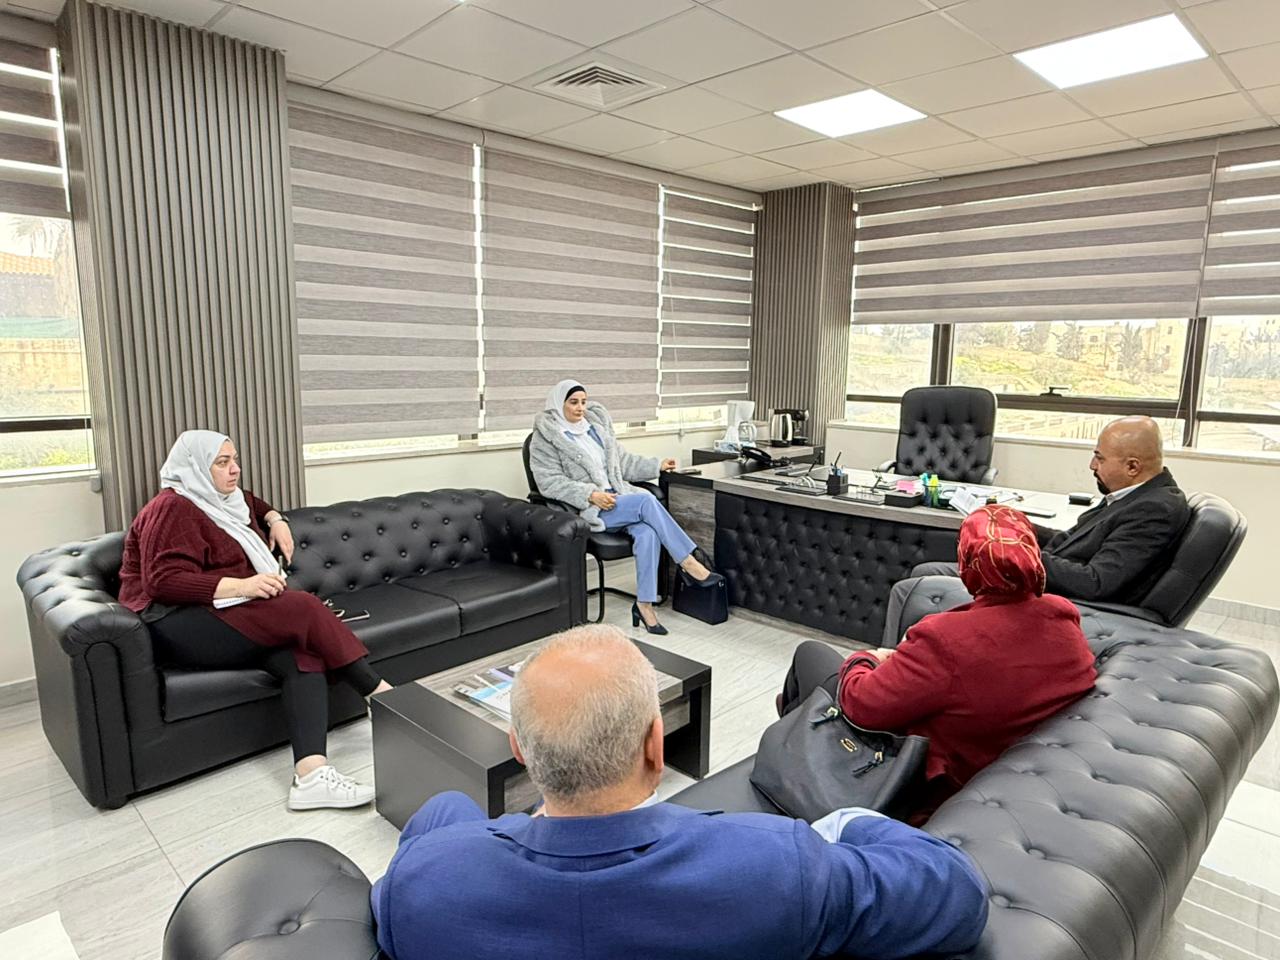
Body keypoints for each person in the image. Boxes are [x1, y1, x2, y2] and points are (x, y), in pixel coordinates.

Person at [372, 624, 989, 960]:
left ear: (519, 750)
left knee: (446, 810)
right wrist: (850, 819)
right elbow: (958, 897)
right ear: (655, 747)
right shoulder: (778, 863)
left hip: (480, 855)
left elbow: (429, 863)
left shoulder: (420, 883)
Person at [118, 430, 392, 810]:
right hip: (176, 621)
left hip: (219, 610)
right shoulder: (172, 508)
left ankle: (311, 776)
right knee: (303, 607)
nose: (235, 469)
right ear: (195, 468)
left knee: (303, 655)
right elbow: (162, 582)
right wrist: (243, 585)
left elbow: (253, 503)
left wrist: (276, 519)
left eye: (235, 459)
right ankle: (382, 696)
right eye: (222, 462)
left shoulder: (221, 499)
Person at [780, 505, 1097, 820]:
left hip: (926, 784)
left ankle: (796, 771)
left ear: (966, 563)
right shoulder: (1061, 615)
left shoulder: (946, 639)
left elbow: (861, 705)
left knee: (810, 656)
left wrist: (866, 658)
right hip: (1005, 766)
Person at [883, 414, 1189, 644]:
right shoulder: (1131, 496)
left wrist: (1018, 554)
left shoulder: (1154, 510)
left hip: (1055, 597)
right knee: (925, 570)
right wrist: (1018, 522)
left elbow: (1096, 583)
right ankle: (908, 661)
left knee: (912, 587)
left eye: (1099, 457)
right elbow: (1072, 541)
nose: (1092, 466)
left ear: (1133, 467)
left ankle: (893, 674)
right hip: (1044, 579)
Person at [529, 380, 724, 635]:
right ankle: (687, 560)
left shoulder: (595, 429)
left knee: (648, 533)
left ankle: (644, 605)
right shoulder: (545, 439)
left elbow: (623, 463)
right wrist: (590, 495)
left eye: (584, 402)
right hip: (590, 508)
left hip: (618, 500)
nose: (580, 408)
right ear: (558, 404)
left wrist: (656, 466)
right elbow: (549, 483)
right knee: (646, 500)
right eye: (573, 402)